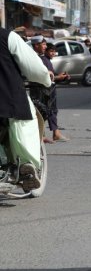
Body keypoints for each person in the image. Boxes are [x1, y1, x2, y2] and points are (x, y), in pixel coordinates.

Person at [1, 29, 52, 191]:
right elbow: (33, 67)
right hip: (7, 95)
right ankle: (27, 164)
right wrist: (46, 78)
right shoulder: (7, 37)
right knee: (25, 123)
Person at [32, 36, 69, 142]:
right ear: (36, 45)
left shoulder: (45, 60)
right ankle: (46, 134)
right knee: (44, 111)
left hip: (48, 89)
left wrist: (60, 77)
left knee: (48, 111)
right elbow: (45, 76)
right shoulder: (41, 59)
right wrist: (58, 77)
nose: (45, 47)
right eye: (43, 45)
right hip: (43, 90)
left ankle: (51, 133)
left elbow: (51, 75)